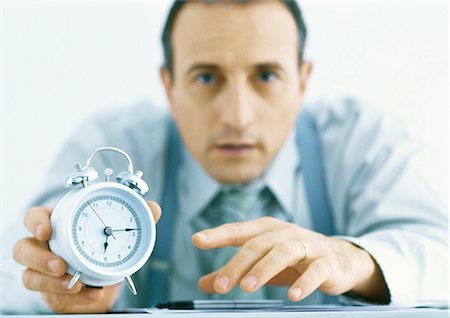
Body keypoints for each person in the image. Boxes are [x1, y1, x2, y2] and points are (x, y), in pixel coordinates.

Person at [2, 0, 448, 314]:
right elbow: (15, 271)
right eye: (207, 78)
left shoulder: (363, 141)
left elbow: (441, 256)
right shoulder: (110, 148)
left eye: (267, 75)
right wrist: (62, 287)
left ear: (303, 81)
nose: (238, 116)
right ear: (169, 86)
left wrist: (355, 260)